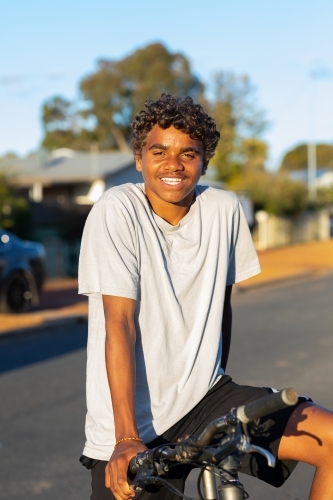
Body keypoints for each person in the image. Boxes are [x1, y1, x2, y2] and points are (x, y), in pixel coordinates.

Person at [79, 93, 333, 500]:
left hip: (207, 400)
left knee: (330, 439)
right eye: (158, 151)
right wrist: (125, 438)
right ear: (139, 158)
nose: (173, 164)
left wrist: (213, 377)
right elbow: (118, 321)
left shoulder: (224, 210)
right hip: (134, 420)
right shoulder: (117, 210)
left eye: (189, 153)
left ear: (205, 160)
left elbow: (221, 305)